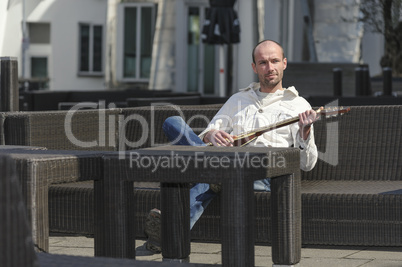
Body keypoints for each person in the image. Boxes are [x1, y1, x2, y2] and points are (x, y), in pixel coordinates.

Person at [144, 39, 319, 253]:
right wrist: (212, 134)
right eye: (263, 62)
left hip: (263, 173)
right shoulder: (239, 99)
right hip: (223, 159)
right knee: (173, 123)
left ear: (284, 63)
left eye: (274, 61)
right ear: (254, 67)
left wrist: (305, 132)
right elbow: (208, 132)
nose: (269, 67)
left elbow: (307, 165)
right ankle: (214, 175)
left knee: (214, 172)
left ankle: (170, 228)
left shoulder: (299, 106)